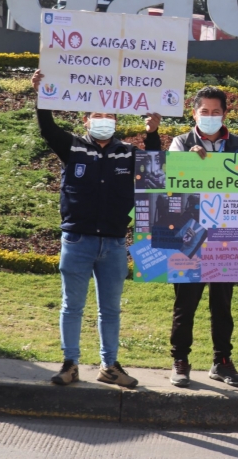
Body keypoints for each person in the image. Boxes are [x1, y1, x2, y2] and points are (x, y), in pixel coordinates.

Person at [31, 69, 162, 388]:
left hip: (114, 245)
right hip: (77, 241)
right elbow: (47, 129)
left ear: (116, 121)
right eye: (96, 115)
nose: (103, 119)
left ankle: (110, 366)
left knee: (111, 310)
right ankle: (70, 364)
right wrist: (41, 95)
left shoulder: (128, 153)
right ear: (86, 121)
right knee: (71, 306)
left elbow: (155, 169)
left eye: (109, 115)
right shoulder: (73, 148)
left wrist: (153, 132)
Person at [166, 86, 238, 388]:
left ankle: (222, 362)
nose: (211, 117)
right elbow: (168, 188)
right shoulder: (180, 143)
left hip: (228, 237)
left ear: (226, 114)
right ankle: (180, 360)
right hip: (190, 235)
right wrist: (186, 163)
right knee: (185, 302)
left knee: (222, 303)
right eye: (205, 112)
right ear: (195, 113)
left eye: (217, 112)